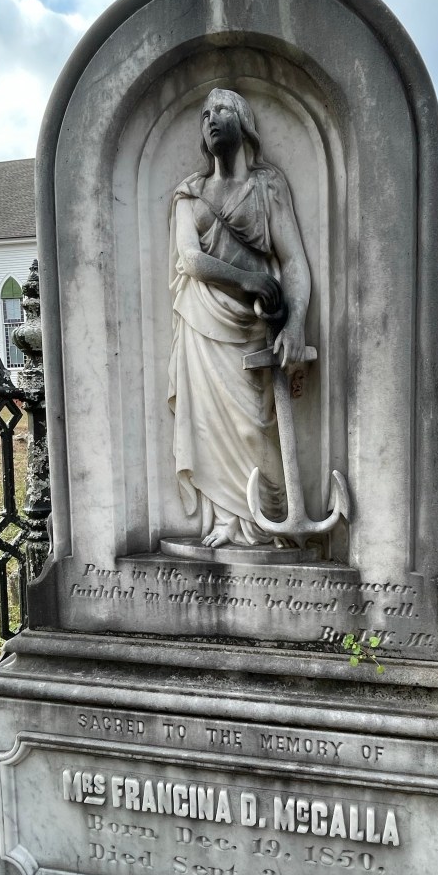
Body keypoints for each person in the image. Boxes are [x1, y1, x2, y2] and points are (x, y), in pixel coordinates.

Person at [168, 88, 310, 548]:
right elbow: (190, 260)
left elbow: (292, 261)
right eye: (204, 113)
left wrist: (297, 322)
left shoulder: (268, 187)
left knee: (254, 427)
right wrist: (246, 280)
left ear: (244, 121)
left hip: (254, 328)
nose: (211, 118)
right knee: (208, 425)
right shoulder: (189, 194)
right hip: (202, 322)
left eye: (221, 110)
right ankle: (227, 521)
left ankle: (267, 522)